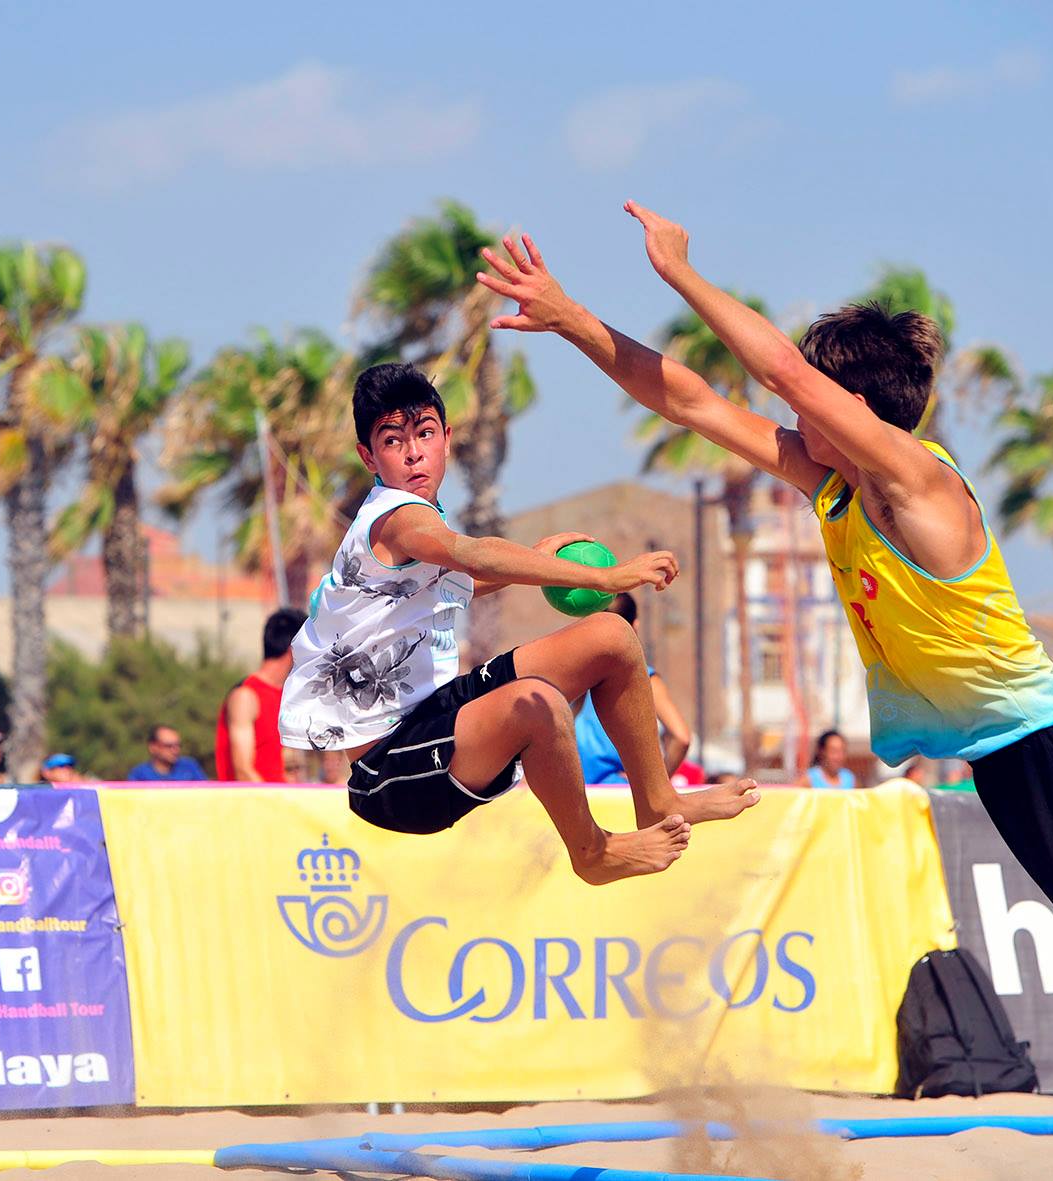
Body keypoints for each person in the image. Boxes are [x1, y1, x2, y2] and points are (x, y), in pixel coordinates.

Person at [476, 210, 1053, 1165]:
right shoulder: (833, 486)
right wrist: (571, 314)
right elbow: (693, 402)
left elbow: (781, 373)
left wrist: (680, 275)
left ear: (847, 408)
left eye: (811, 405)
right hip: (1011, 761)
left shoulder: (914, 482)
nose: (790, 421)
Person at [279, 362, 758, 886]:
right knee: (539, 701)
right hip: (390, 776)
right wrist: (606, 578)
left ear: (446, 438)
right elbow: (472, 554)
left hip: (433, 718)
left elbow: (462, 582)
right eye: (393, 441)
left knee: (613, 638)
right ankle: (593, 852)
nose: (414, 451)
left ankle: (658, 798)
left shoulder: (414, 527)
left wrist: (531, 561)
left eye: (424, 433)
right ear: (369, 457)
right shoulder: (398, 517)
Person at [572, 592, 692, 784]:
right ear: (635, 626)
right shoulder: (645, 678)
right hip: (622, 795)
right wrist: (655, 785)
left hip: (576, 793)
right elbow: (681, 737)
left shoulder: (579, 675)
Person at [216, 607, 307, 782]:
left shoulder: (285, 696)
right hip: (253, 805)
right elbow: (243, 771)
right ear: (293, 649)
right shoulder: (245, 696)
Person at [127, 725, 208, 781]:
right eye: (168, 746)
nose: (175, 750)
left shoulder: (189, 766)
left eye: (178, 745)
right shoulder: (140, 774)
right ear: (153, 747)